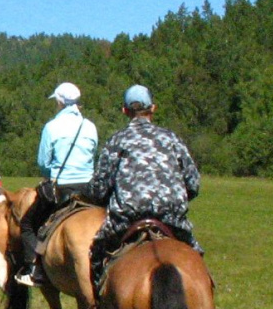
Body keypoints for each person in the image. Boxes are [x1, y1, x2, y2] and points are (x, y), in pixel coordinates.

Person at [87, 84, 203, 291]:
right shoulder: (172, 139)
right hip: (172, 218)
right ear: (153, 109)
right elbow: (193, 183)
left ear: (125, 111)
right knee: (197, 258)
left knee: (97, 255)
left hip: (126, 220)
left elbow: (99, 190)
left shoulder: (117, 141)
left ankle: (97, 308)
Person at [12, 83, 100, 287]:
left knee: (27, 224)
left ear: (60, 102)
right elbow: (92, 154)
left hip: (62, 188)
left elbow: (43, 163)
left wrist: (51, 173)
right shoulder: (90, 126)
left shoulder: (52, 127)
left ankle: (35, 269)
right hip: (89, 187)